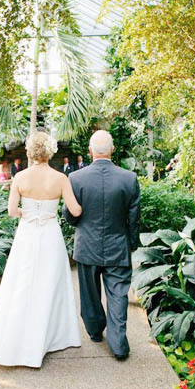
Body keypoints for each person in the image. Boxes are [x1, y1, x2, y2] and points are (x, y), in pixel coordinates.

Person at [0, 131, 83, 367]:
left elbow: (11, 211)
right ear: (50, 152)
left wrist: (28, 214)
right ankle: (51, 335)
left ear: (30, 152)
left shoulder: (20, 178)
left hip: (27, 234)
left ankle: (18, 336)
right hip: (50, 235)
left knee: (22, 283)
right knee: (50, 283)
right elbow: (75, 211)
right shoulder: (60, 179)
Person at [63, 130, 140, 361]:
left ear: (90, 151)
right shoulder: (129, 178)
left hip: (87, 246)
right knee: (118, 295)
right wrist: (132, 244)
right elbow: (134, 218)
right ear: (112, 150)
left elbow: (69, 216)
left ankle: (95, 332)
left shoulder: (76, 179)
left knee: (90, 294)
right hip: (118, 246)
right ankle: (118, 345)